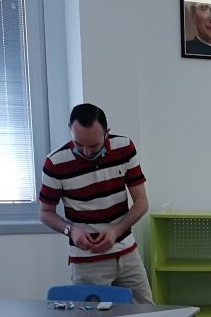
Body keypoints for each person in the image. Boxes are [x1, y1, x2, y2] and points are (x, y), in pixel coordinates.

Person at [39, 103, 154, 303]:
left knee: (145, 312)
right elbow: (45, 212)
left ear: (107, 133)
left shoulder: (124, 148)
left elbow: (141, 202)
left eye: (93, 145)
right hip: (87, 261)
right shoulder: (55, 163)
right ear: (70, 130)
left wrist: (116, 230)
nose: (86, 152)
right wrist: (70, 230)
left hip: (127, 253)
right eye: (78, 144)